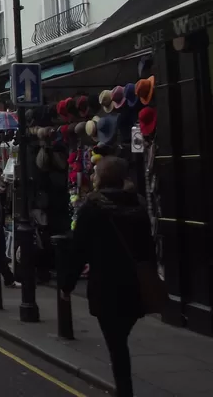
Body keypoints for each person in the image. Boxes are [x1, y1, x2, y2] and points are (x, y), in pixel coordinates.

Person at [63, 157, 156, 397]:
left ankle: (125, 391)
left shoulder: (92, 209)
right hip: (135, 284)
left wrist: (66, 285)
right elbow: (149, 248)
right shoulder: (138, 204)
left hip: (107, 286)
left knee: (116, 345)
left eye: (95, 173)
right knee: (119, 339)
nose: (92, 176)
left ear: (103, 178)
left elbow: (78, 251)